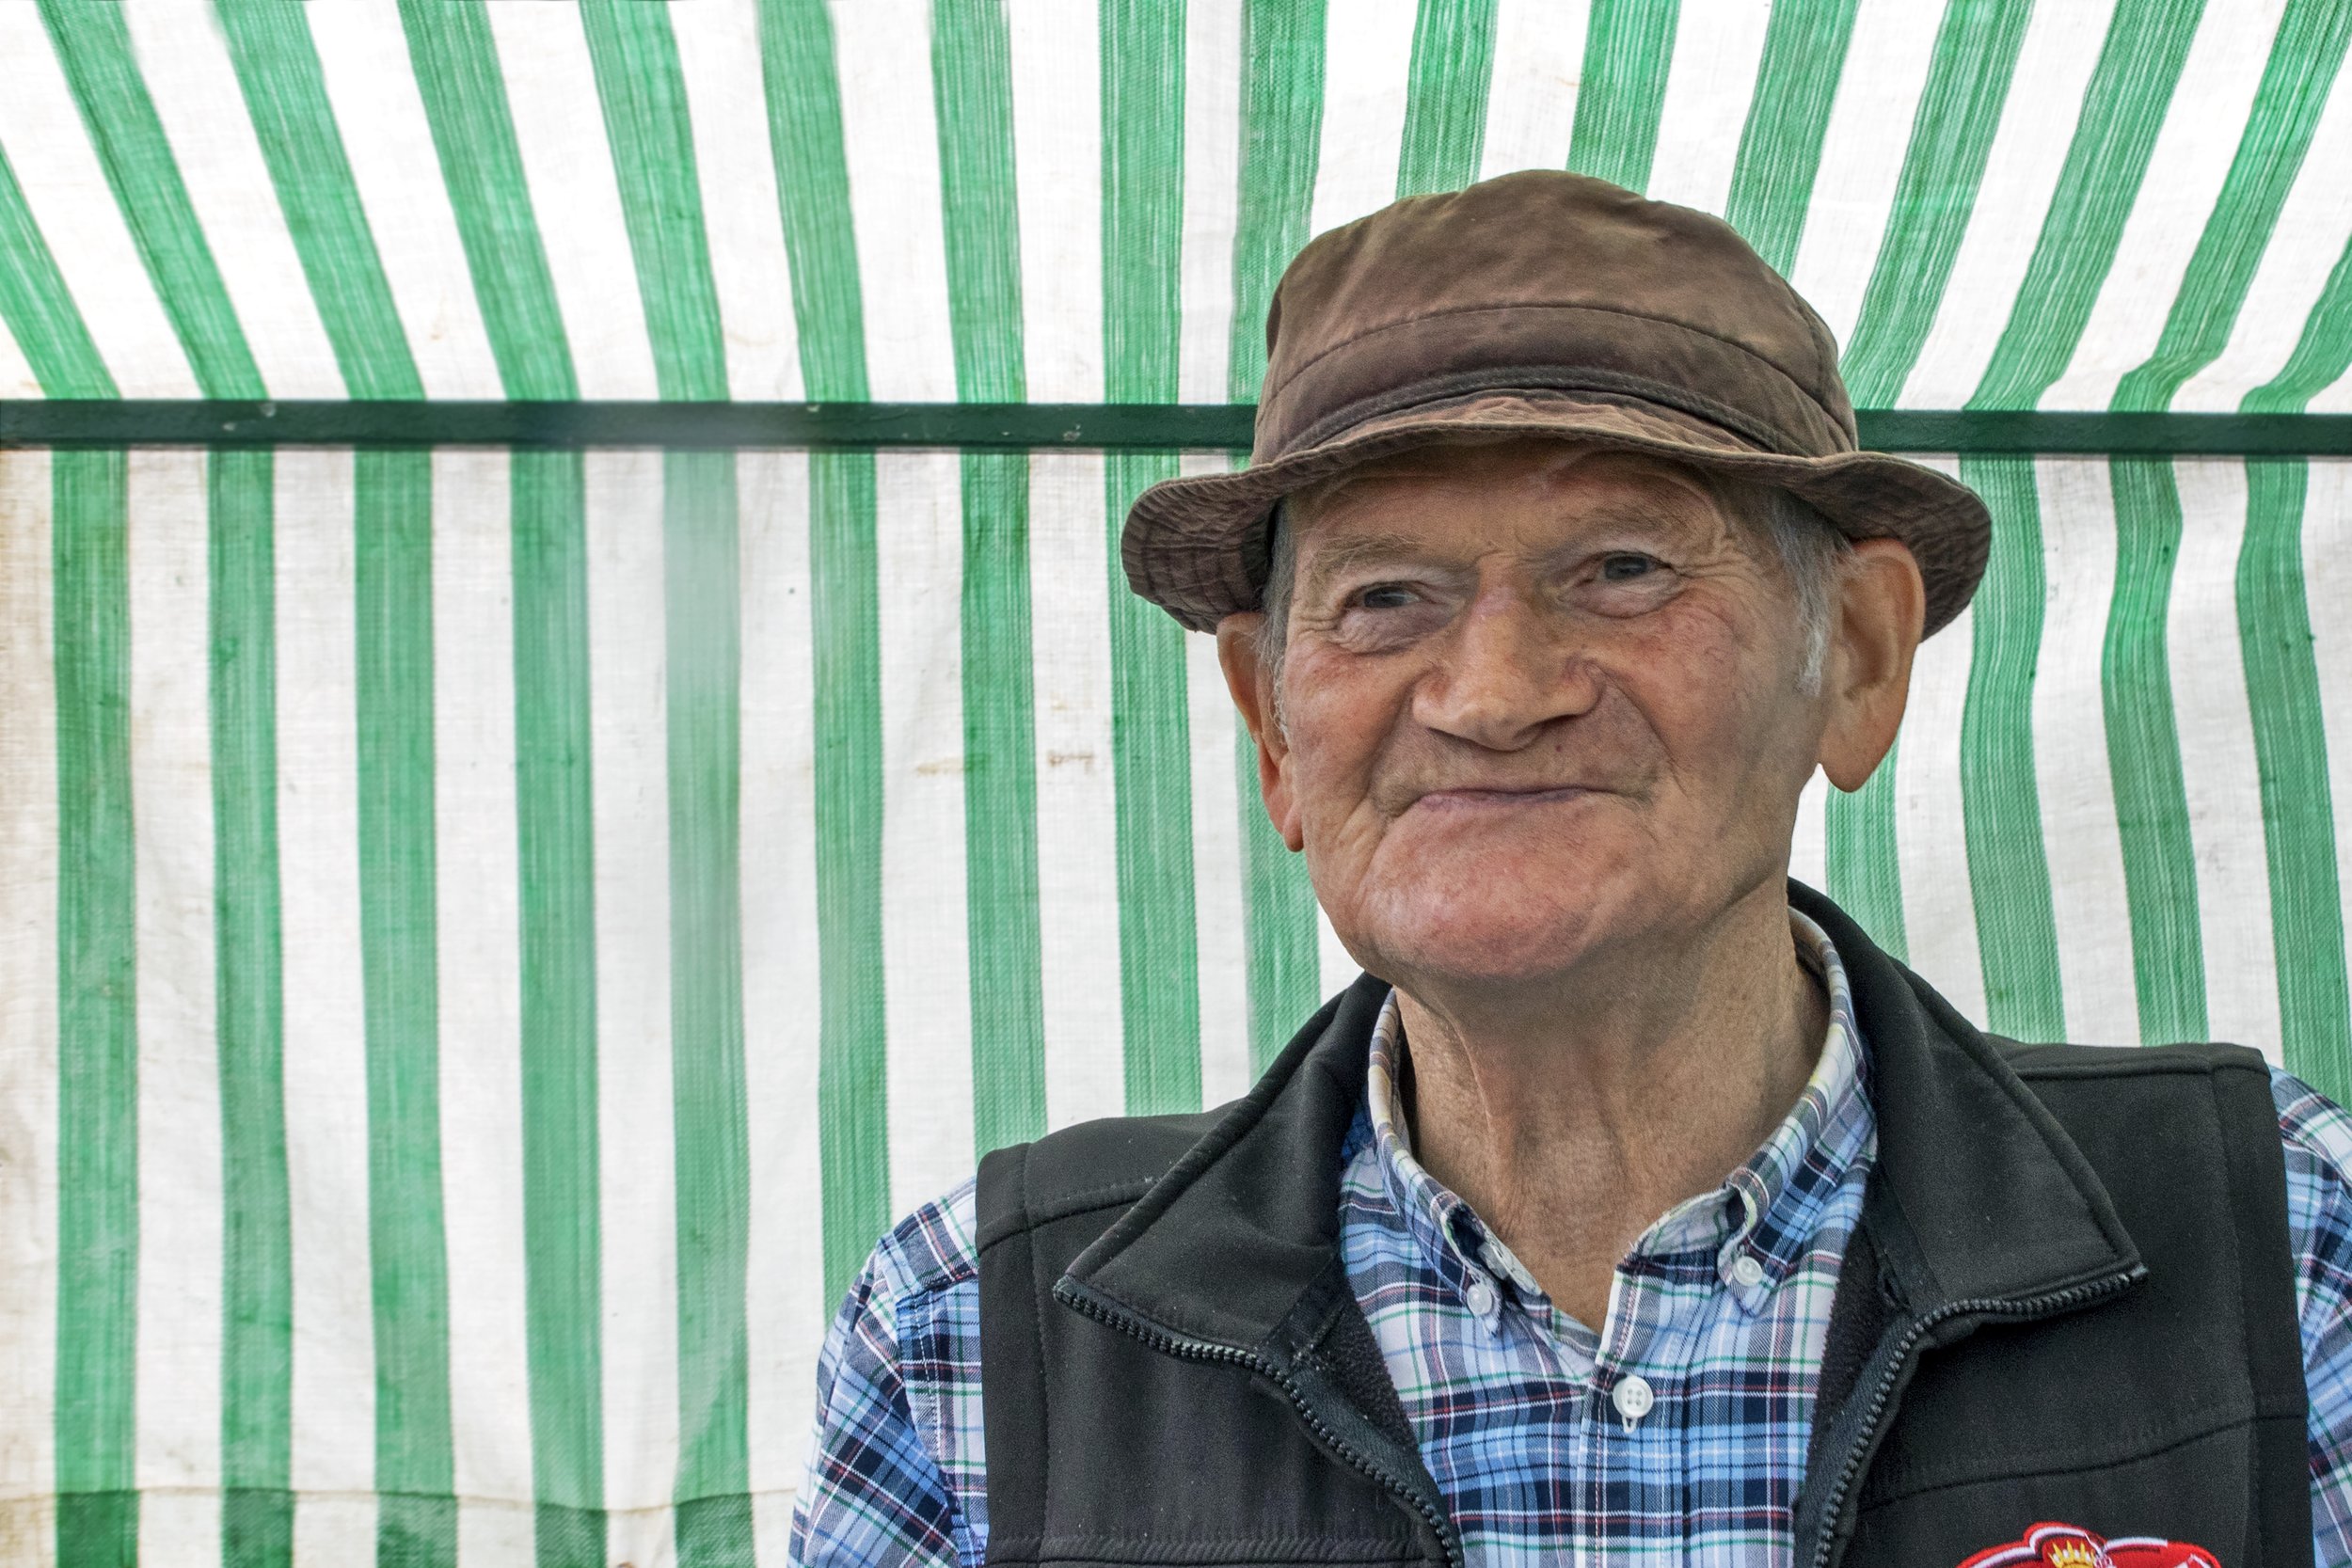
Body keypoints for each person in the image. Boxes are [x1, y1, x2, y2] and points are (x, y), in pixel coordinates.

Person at [789, 170, 2352, 1568]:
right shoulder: (979, 1341)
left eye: (1620, 570)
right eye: (1386, 597)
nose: (1491, 691)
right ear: (1273, 723)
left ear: (1858, 662)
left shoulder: (2275, 1238)